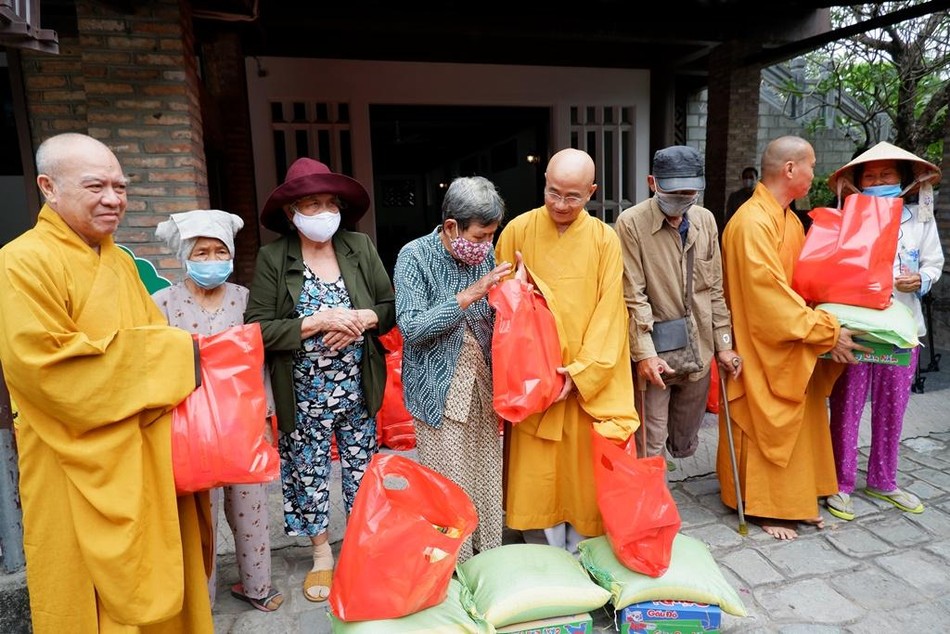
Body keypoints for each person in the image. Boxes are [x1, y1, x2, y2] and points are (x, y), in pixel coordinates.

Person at [0, 133, 213, 631]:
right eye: (96, 186)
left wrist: (165, 352)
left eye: (121, 186)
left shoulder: (118, 261)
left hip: (145, 455)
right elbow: (47, 369)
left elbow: (147, 339)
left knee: (167, 585)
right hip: (73, 463)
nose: (114, 199)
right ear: (48, 187)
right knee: (85, 592)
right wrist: (178, 352)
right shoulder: (21, 262)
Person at [244, 157, 395, 602]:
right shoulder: (274, 257)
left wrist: (362, 317)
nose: (325, 211)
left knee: (362, 470)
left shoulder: (359, 247)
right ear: (292, 213)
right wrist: (315, 321)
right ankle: (321, 554)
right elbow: (257, 328)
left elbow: (389, 306)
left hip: (356, 383)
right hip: (303, 390)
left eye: (331, 203)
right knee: (307, 471)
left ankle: (364, 545)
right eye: (313, 203)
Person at [717, 135, 868, 541]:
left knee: (801, 417)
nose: (814, 173)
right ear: (789, 169)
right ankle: (767, 505)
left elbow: (803, 282)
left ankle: (798, 497)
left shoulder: (786, 219)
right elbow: (767, 296)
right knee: (770, 419)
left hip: (790, 336)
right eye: (811, 165)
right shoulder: (751, 221)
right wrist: (824, 331)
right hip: (761, 341)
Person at [494, 147, 639, 554]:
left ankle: (584, 551)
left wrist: (578, 375)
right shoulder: (518, 230)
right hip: (536, 381)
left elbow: (612, 311)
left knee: (581, 475)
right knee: (538, 474)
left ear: (591, 192)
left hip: (585, 381)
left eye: (572, 197)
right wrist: (515, 290)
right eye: (553, 192)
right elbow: (498, 306)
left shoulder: (604, 240)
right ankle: (538, 551)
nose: (560, 204)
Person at [153, 209, 284, 612]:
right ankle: (200, 601)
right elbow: (154, 366)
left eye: (219, 251)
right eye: (202, 252)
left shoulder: (245, 300)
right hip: (190, 426)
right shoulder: (162, 303)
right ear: (185, 256)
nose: (212, 260)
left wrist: (265, 419)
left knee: (250, 505)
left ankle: (257, 586)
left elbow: (260, 361)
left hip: (241, 422)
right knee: (198, 516)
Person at [393, 176, 512, 562]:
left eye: (492, 235)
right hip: (438, 389)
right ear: (450, 227)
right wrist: (469, 295)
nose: (486, 246)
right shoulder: (414, 256)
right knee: (447, 480)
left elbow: (499, 319)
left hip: (482, 384)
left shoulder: (487, 257)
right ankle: (451, 564)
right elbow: (411, 328)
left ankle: (488, 557)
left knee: (486, 474)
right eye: (479, 236)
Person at [824, 142, 943, 521]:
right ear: (858, 182)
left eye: (887, 175)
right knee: (846, 405)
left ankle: (883, 479)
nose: (879, 181)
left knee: (893, 406)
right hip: (856, 329)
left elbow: (934, 263)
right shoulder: (846, 218)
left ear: (902, 179)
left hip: (904, 327)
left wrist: (920, 278)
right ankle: (839, 483)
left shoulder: (920, 219)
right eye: (871, 176)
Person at [615, 146, 741, 463]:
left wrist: (724, 343)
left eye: (690, 191)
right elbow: (634, 295)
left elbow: (714, 287)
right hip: (657, 351)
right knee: (651, 439)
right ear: (652, 183)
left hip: (700, 346)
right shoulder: (631, 223)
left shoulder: (705, 220)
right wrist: (644, 354)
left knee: (684, 439)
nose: (683, 198)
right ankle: (652, 509)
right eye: (674, 191)